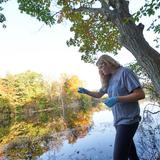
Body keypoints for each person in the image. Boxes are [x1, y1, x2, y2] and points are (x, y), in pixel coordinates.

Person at [78, 54, 145, 160]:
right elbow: (99, 94)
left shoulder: (125, 72)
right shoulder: (109, 79)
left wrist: (117, 99)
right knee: (131, 155)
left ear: (107, 63)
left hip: (129, 121)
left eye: (101, 67)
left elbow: (140, 94)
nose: (100, 70)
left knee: (118, 157)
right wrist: (86, 91)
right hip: (118, 122)